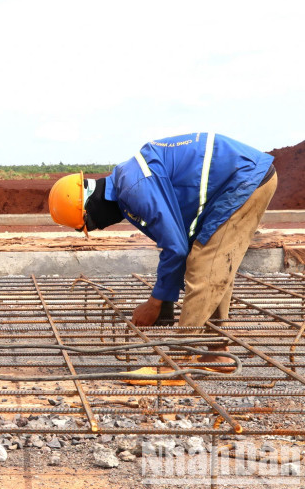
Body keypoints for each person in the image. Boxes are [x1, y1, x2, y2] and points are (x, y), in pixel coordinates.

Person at [48, 132, 276, 378]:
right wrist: (166, 301)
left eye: (92, 223)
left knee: (205, 266)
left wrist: (154, 303)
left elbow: (175, 247)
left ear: (90, 205)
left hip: (245, 180)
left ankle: (175, 364)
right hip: (243, 179)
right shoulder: (128, 181)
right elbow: (178, 243)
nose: (101, 226)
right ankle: (217, 353)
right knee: (212, 264)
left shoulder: (133, 188)